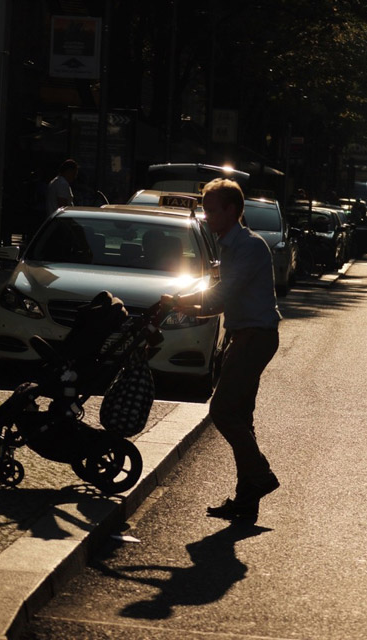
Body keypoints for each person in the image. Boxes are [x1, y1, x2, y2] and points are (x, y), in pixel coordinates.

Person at [161, 178, 281, 521]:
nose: (206, 215)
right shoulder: (229, 245)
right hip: (243, 335)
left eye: (211, 210)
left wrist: (183, 300)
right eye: (205, 208)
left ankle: (260, 476)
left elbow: (224, 293)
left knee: (224, 411)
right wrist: (192, 308)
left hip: (255, 337)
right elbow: (223, 299)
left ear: (232, 210)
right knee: (241, 416)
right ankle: (247, 503)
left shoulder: (249, 246)